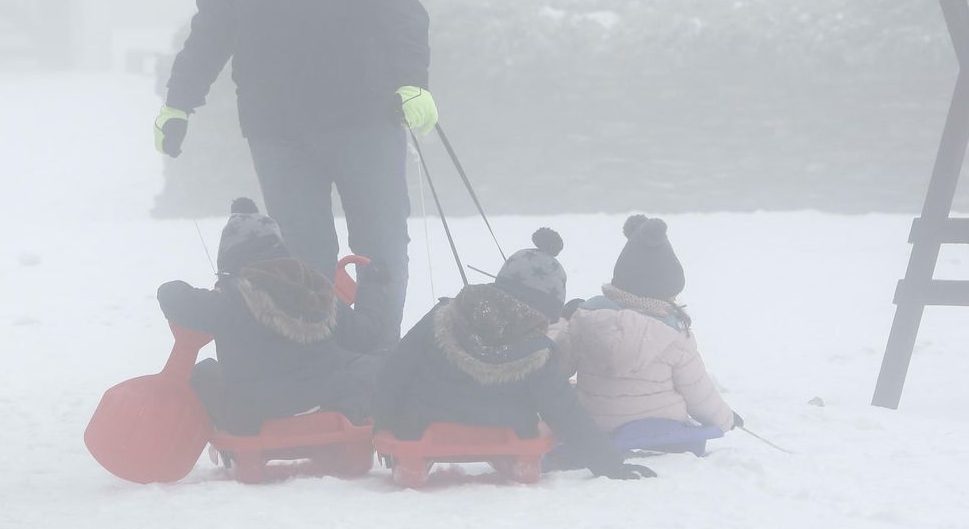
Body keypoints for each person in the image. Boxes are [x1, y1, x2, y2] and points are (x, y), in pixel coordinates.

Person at [154, 0, 435, 349]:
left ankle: (377, 363)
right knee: (303, 261)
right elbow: (214, 23)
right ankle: (320, 370)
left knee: (380, 250)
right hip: (276, 127)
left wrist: (412, 80)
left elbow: (398, 6)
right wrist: (178, 102)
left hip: (364, 118)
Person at [372, 228, 655, 480]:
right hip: (502, 427)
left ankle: (412, 462)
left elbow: (394, 371)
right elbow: (564, 411)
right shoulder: (540, 352)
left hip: (424, 421)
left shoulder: (442, 316)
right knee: (537, 419)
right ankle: (517, 461)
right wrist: (610, 464)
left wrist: (384, 427)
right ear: (547, 310)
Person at [156, 198, 380, 435]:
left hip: (257, 409)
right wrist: (373, 288)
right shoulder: (316, 287)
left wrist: (221, 287)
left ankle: (235, 434)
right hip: (327, 395)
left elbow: (172, 297)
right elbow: (363, 337)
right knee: (365, 365)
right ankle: (347, 413)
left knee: (203, 372)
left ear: (230, 256)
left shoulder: (228, 300)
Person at [556, 215, 738, 441]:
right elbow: (697, 392)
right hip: (661, 429)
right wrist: (726, 419)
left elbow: (556, 368)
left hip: (595, 425)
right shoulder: (673, 332)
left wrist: (562, 324)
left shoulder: (585, 318)